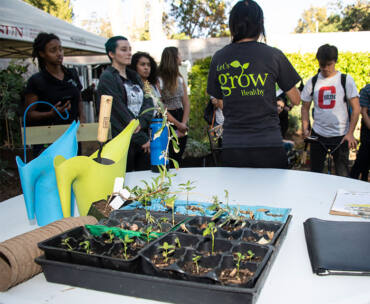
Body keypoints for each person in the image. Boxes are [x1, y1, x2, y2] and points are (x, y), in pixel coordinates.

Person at [207, 0, 301, 168]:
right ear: (260, 24)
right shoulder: (273, 55)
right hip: (268, 143)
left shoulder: (219, 58)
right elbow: (295, 99)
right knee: (271, 194)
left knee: (235, 194)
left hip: (233, 144)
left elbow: (218, 101)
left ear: (233, 24)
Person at [301, 44, 360, 176]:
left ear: (335, 61)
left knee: (342, 176)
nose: (326, 68)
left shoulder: (346, 80)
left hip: (341, 137)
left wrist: (350, 133)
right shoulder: (313, 82)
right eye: (322, 65)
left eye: (329, 64)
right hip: (318, 136)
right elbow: (304, 107)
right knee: (315, 175)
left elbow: (356, 108)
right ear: (318, 62)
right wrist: (305, 127)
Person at [97, 36, 153, 172]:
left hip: (143, 137)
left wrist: (141, 122)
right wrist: (141, 138)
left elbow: (149, 101)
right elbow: (118, 112)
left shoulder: (135, 75)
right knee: (123, 183)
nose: (129, 53)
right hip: (122, 141)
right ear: (111, 54)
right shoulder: (107, 78)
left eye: (129, 49)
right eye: (123, 50)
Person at [25, 32, 85, 157]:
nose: (59, 53)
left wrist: (82, 118)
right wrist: (51, 113)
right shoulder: (37, 81)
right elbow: (29, 114)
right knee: (52, 174)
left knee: (73, 171)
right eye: (53, 50)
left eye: (60, 49)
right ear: (42, 54)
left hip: (72, 135)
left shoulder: (71, 74)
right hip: (48, 140)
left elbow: (79, 99)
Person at [157, 47, 190, 165]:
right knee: (167, 155)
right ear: (174, 58)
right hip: (167, 119)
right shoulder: (159, 79)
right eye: (179, 54)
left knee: (178, 155)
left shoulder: (180, 78)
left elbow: (186, 102)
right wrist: (178, 124)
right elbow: (160, 106)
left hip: (181, 116)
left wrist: (184, 123)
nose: (181, 57)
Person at [350, 84, 370, 181]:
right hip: (368, 131)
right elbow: (363, 112)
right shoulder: (367, 90)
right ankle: (353, 181)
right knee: (363, 158)